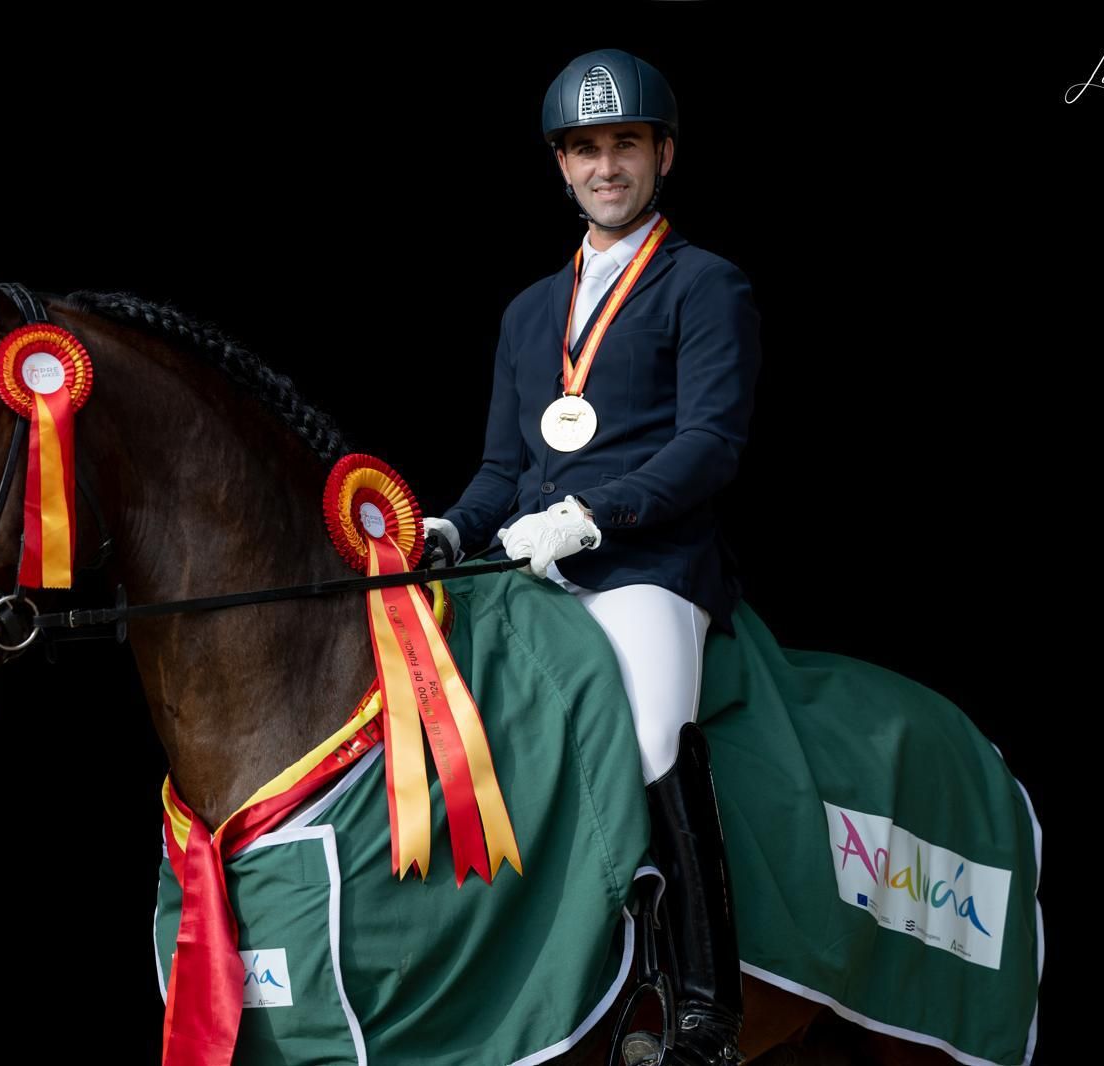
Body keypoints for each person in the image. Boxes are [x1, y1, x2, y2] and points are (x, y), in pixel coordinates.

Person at [423, 48, 761, 1066]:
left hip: (648, 569)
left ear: (662, 152)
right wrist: (447, 529)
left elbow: (709, 444)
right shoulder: (529, 311)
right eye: (584, 148)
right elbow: (498, 467)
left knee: (653, 728)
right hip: (527, 564)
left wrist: (591, 514)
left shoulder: (707, 286)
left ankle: (701, 1000)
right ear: (560, 167)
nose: (604, 165)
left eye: (623, 143)